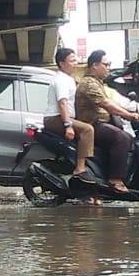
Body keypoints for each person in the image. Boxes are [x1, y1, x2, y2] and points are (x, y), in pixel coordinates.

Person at [76, 50, 139, 194]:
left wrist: (131, 111)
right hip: (92, 124)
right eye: (106, 64)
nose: (108, 68)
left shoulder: (98, 83)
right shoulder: (89, 84)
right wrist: (129, 115)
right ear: (94, 65)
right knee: (122, 138)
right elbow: (107, 104)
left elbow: (113, 102)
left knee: (125, 136)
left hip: (100, 123)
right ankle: (115, 180)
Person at [45, 48, 95, 183]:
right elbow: (62, 103)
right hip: (55, 119)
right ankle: (80, 168)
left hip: (61, 118)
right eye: (72, 60)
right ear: (61, 63)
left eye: (76, 59)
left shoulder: (68, 79)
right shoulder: (61, 79)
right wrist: (68, 125)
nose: (76, 63)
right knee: (87, 129)